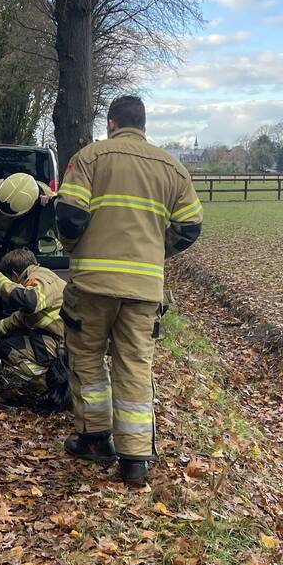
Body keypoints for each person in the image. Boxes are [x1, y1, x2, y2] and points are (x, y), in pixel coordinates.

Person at [55, 95, 203, 486]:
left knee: (86, 358)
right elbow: (190, 227)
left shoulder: (89, 158)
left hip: (91, 284)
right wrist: (159, 248)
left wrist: (74, 246)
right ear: (143, 124)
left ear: (110, 123)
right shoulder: (173, 168)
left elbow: (69, 215)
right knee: (135, 365)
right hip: (143, 289)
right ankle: (135, 461)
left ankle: (94, 440)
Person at [0, 248, 70, 411]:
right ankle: (58, 385)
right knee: (9, 340)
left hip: (64, 345)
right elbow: (19, 319)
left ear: (13, 274)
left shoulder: (39, 279)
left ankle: (52, 388)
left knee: (9, 349)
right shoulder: (43, 275)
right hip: (62, 340)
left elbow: (28, 301)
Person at [0, 172, 58, 259]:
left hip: (20, 252)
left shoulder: (47, 205)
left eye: (11, 213)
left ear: (30, 208)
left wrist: (48, 208)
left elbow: (62, 231)